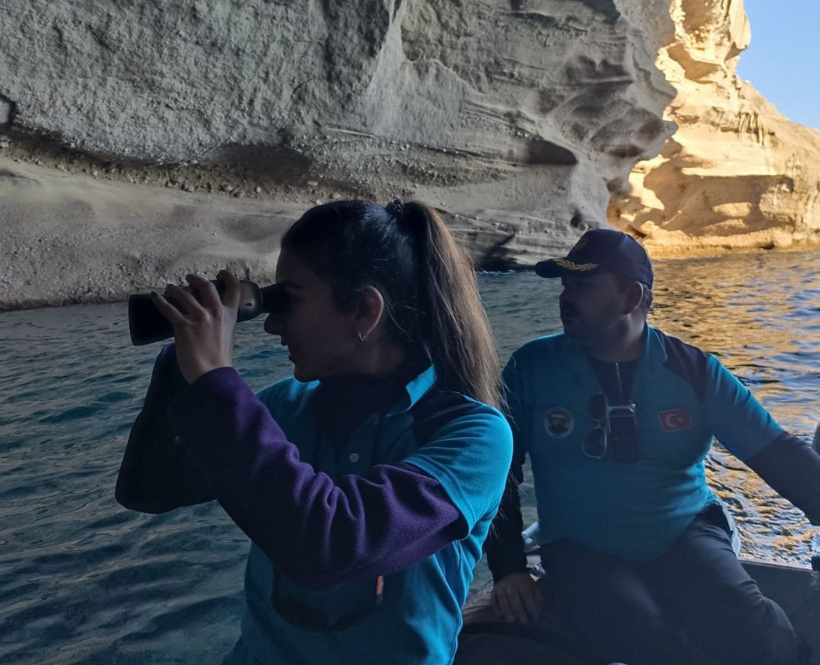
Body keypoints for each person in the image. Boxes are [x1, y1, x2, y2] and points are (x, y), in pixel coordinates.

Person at [115, 199, 513, 665]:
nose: (270, 323)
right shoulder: (285, 406)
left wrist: (213, 379)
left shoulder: (474, 435)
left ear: (364, 310)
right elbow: (149, 489)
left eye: (291, 299)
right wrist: (183, 364)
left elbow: (332, 546)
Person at [485, 228, 820, 665]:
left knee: (753, 626)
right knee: (641, 634)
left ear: (630, 298)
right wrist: (509, 567)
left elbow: (777, 453)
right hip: (580, 546)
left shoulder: (694, 371)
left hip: (684, 530)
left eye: (583, 285)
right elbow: (497, 472)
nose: (566, 297)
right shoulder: (532, 367)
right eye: (565, 286)